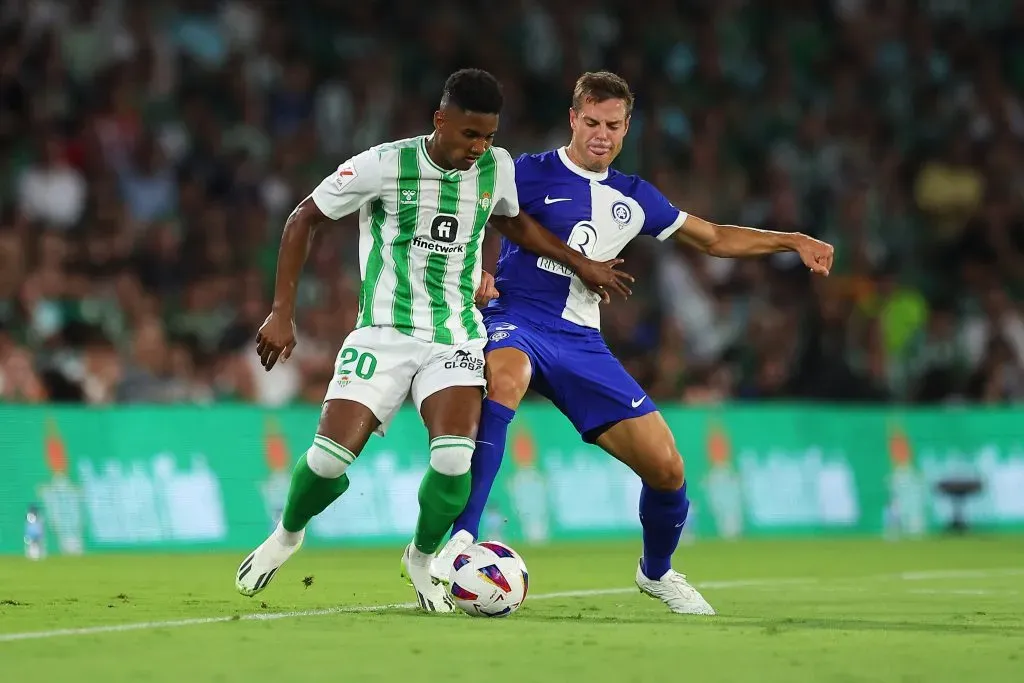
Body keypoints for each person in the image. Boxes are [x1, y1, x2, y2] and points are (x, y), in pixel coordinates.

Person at [431, 71, 835, 615]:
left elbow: (713, 238)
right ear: (573, 119)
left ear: (627, 128)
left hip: (580, 342)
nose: (601, 134)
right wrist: (478, 269)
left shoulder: (635, 197)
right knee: (506, 378)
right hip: (517, 319)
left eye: (613, 125)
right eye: (591, 122)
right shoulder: (525, 171)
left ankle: (657, 572)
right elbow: (467, 211)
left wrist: (789, 239)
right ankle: (461, 538)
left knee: (668, 469)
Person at [235, 68, 632, 612]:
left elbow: (515, 225)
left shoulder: (497, 167)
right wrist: (282, 312)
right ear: (440, 120)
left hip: (455, 336)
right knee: (328, 460)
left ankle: (422, 558)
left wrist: (579, 263)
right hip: (383, 332)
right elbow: (303, 219)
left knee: (452, 461)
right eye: (470, 134)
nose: (479, 147)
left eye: (489, 135)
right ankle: (288, 533)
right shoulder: (384, 164)